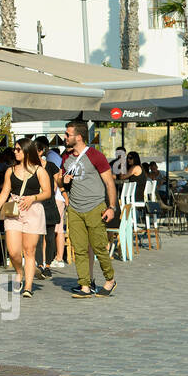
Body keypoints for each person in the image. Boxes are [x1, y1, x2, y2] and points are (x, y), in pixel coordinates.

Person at [58, 119, 117, 298]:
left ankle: (110, 280)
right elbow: (59, 180)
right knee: (80, 248)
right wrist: (63, 182)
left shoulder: (95, 156)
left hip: (94, 207)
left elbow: (109, 183)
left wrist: (111, 207)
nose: (65, 137)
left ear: (79, 137)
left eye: (68, 134)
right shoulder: (66, 158)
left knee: (99, 246)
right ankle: (85, 286)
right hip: (75, 209)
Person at [0, 138, 50, 297]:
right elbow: (5, 192)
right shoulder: (10, 171)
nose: (15, 152)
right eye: (15, 149)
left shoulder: (39, 171)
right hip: (14, 210)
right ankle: (19, 271)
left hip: (33, 211)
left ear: (26, 151)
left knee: (29, 251)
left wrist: (33, 198)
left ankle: (28, 287)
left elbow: (47, 192)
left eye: (18, 149)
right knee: (13, 251)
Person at [35, 135, 65, 273]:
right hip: (36, 204)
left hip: (49, 204)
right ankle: (39, 264)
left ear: (41, 151)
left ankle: (47, 265)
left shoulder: (51, 166)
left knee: (50, 236)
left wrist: (64, 192)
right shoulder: (31, 167)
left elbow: (56, 184)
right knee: (38, 236)